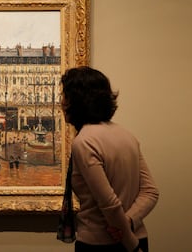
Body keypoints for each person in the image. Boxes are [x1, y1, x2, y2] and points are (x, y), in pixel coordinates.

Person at [60, 66, 159, 251]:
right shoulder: (127, 135)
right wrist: (130, 221)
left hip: (103, 243)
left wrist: (131, 244)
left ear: (77, 100)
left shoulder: (84, 141)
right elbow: (151, 192)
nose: (62, 102)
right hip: (138, 236)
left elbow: (109, 204)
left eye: (65, 95)